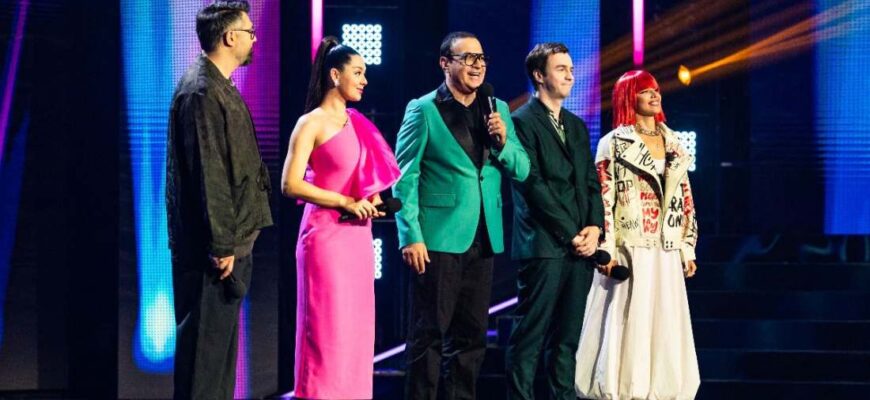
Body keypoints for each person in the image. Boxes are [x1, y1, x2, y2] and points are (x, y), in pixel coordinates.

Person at [393, 31, 530, 400]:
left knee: (471, 338)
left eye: (481, 58)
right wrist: (411, 235)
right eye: (468, 58)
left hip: (483, 236)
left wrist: (503, 142)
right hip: (437, 238)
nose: (477, 65)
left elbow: (521, 169)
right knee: (429, 334)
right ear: (445, 63)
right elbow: (404, 178)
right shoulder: (423, 109)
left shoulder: (497, 109)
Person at [281, 36, 400, 399]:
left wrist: (371, 201)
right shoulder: (310, 123)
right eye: (358, 72)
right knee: (326, 330)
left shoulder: (359, 123)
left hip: (357, 241)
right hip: (325, 241)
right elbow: (290, 184)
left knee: (355, 331)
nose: (365, 80)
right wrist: (344, 201)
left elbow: (368, 180)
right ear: (335, 75)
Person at [166, 2, 272, 399]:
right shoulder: (202, 92)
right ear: (229, 37)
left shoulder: (218, 86)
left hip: (231, 245)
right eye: (249, 32)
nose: (254, 39)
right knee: (203, 364)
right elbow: (208, 173)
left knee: (218, 364)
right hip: (213, 252)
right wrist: (221, 244)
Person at [574, 70, 700, 399]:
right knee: (628, 318)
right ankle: (623, 389)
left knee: (664, 319)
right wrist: (606, 247)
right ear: (630, 97)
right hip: (630, 244)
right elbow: (604, 198)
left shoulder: (674, 142)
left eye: (656, 89)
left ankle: (662, 390)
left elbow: (685, 197)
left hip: (666, 244)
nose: (655, 95)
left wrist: (687, 246)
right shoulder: (613, 143)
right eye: (645, 91)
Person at [505, 42, 604, 400]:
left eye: (571, 69)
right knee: (530, 337)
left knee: (567, 339)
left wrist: (594, 228)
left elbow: (590, 182)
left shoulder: (575, 125)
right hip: (544, 244)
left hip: (580, 248)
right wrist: (571, 233)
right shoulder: (520, 121)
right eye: (561, 69)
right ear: (539, 75)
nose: (570, 76)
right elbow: (533, 186)